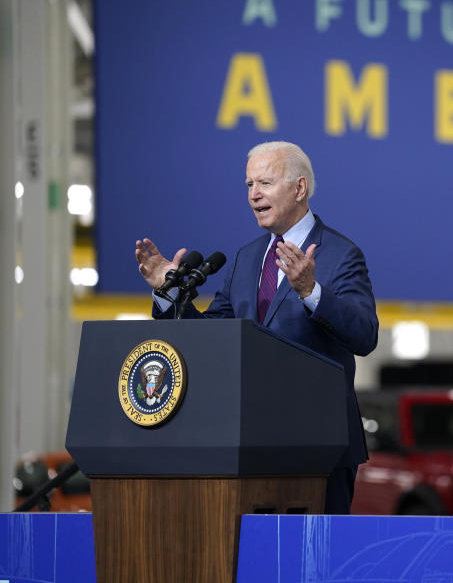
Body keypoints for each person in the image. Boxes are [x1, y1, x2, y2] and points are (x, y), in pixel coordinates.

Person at [134, 140, 379, 514]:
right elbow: (211, 336)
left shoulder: (341, 255)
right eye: (249, 185)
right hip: (250, 442)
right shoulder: (246, 259)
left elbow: (365, 334)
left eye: (264, 183)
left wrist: (311, 291)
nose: (253, 195)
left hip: (320, 445)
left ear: (299, 188)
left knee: (311, 565)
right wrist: (170, 295)